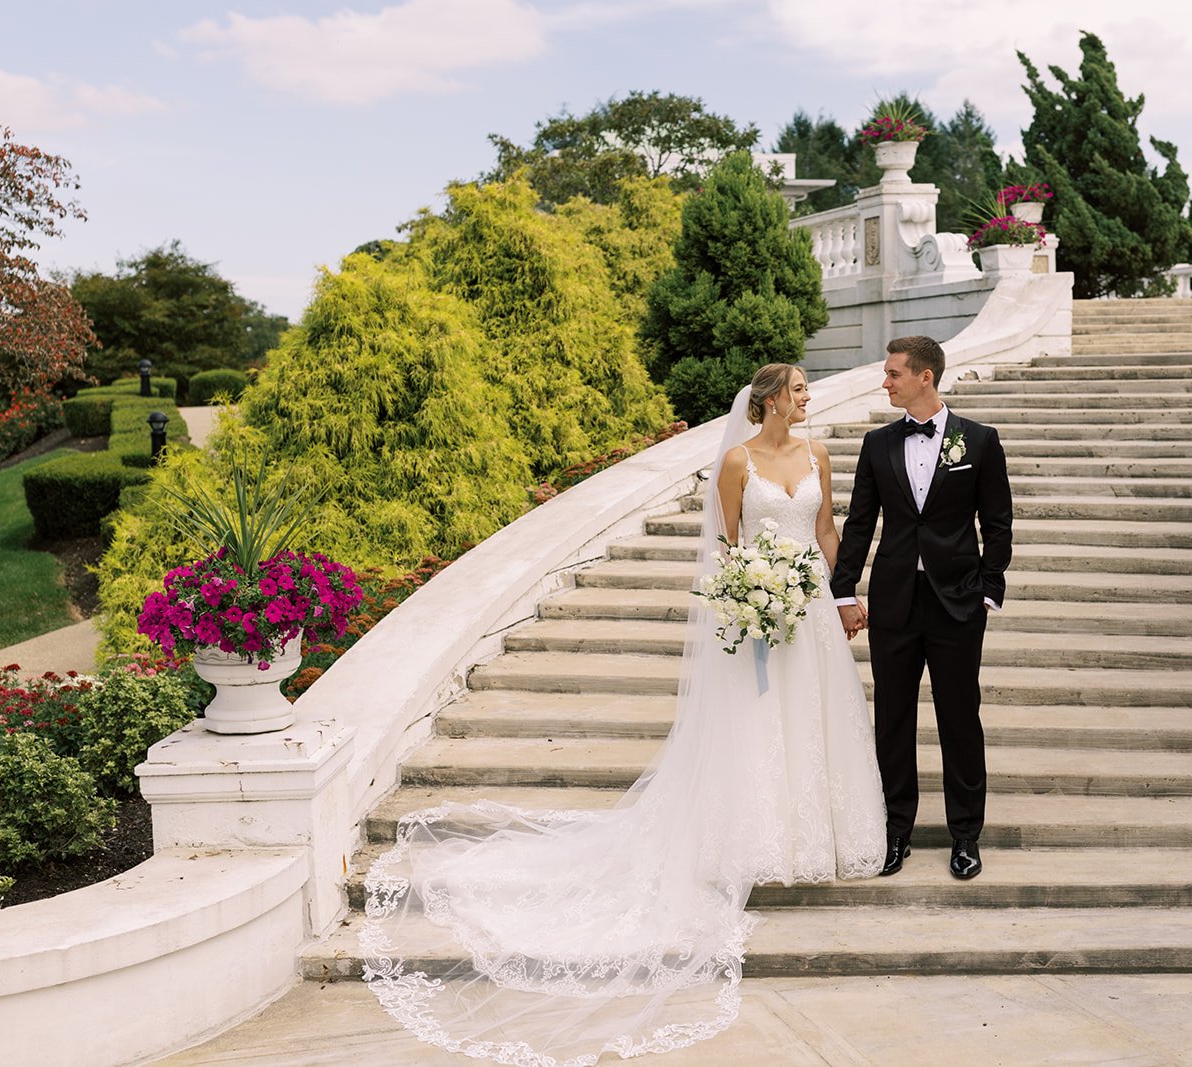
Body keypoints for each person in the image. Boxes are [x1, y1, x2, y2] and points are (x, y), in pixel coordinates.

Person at [361, 363, 886, 1065]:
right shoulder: (736, 460)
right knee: (759, 729)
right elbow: (726, 545)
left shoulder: (818, 453)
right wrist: (750, 598)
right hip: (762, 616)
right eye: (796, 390)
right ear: (765, 402)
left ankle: (816, 834)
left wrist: (842, 593)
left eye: (805, 391)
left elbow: (826, 527)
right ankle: (759, 837)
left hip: (812, 613)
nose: (806, 399)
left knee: (816, 722)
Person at [831, 335, 1014, 881]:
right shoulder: (877, 444)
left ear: (925, 377)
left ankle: (965, 836)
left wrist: (987, 589)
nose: (884, 382)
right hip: (894, 604)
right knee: (892, 720)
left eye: (893, 374)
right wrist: (844, 592)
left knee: (960, 719)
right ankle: (895, 832)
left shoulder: (979, 441)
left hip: (958, 603)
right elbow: (859, 523)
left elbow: (998, 523)